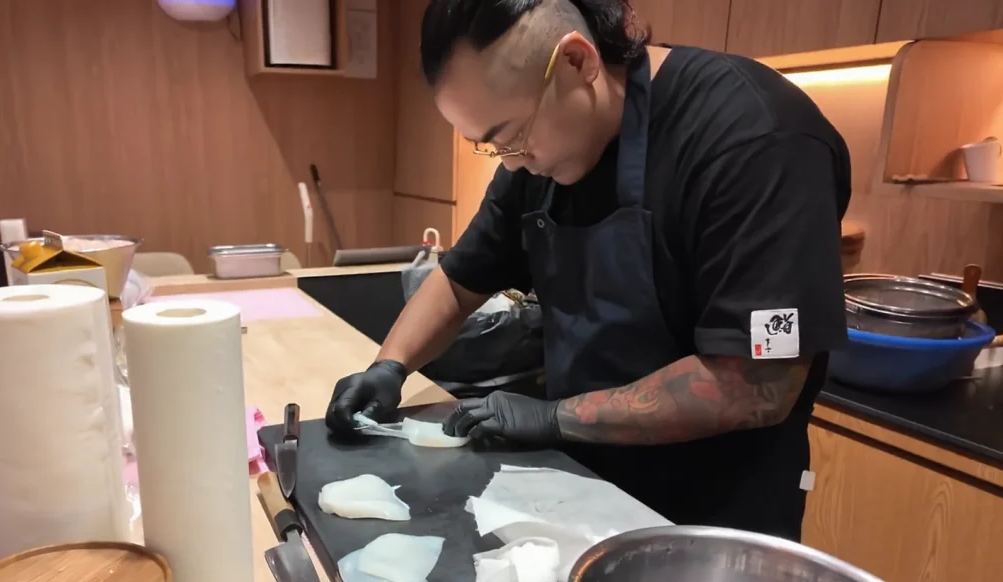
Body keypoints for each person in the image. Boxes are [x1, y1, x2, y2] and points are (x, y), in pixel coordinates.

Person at [326, 0, 850, 541]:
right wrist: (390, 366)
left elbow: (756, 383)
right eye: (491, 144)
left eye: (512, 134)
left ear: (577, 62)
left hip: (711, 520)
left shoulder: (757, 141)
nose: (509, 161)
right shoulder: (539, 157)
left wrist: (552, 417)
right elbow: (462, 278)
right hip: (582, 487)